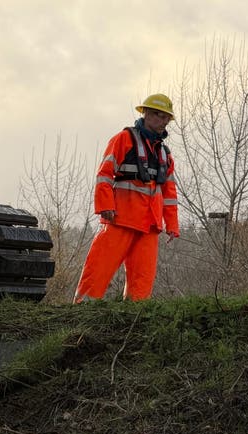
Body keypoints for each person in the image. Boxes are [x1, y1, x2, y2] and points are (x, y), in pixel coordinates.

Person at [74, 93, 180, 303]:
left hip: (149, 226)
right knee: (98, 269)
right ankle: (81, 314)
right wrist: (105, 205)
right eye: (159, 116)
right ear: (146, 114)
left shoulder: (164, 154)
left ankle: (135, 321)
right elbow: (104, 174)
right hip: (120, 219)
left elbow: (169, 192)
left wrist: (172, 224)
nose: (163, 121)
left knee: (142, 283)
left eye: (167, 118)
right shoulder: (124, 139)